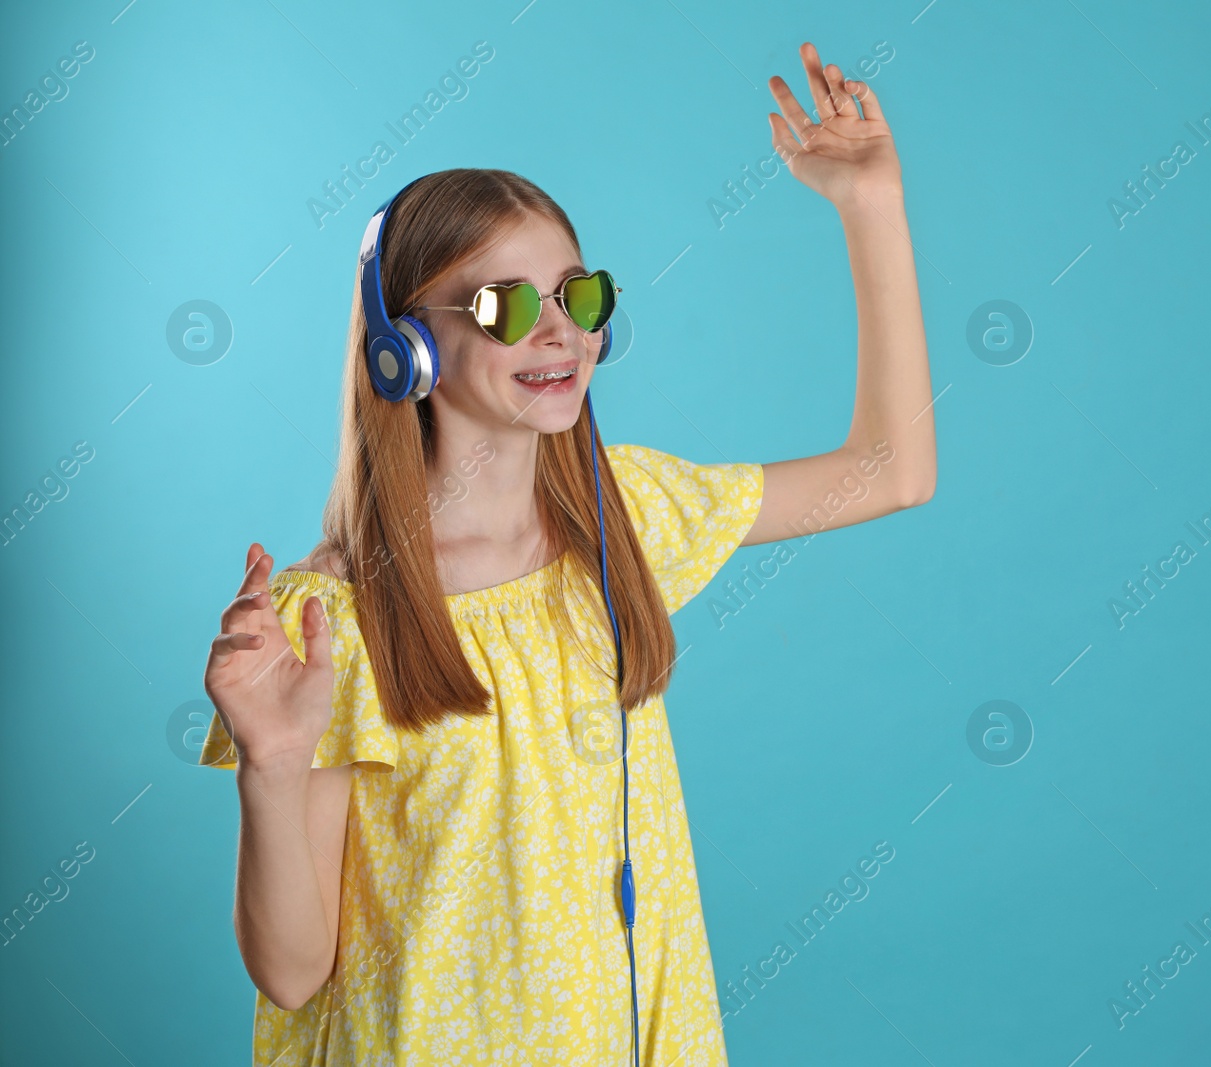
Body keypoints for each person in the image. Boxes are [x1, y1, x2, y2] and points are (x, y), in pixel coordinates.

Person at [199, 41, 935, 1065]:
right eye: (503, 306)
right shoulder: (331, 622)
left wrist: (871, 201)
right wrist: (273, 766)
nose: (558, 333)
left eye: (578, 296)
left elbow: (892, 467)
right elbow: (289, 970)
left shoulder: (624, 517)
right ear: (401, 346)